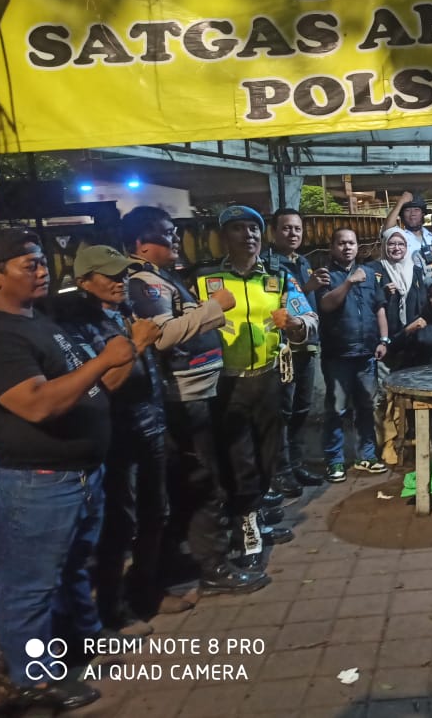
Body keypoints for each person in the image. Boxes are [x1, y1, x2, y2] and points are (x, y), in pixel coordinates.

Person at [0, 228, 134, 712]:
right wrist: (104, 361)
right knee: (29, 587)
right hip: (38, 482)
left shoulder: (37, 319)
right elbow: (35, 404)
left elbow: (81, 387)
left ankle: (84, 640)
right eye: (28, 264)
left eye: (41, 260)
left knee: (72, 568)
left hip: (80, 474)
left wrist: (118, 360)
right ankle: (33, 677)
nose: (42, 269)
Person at [122, 206, 270, 598]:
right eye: (166, 233)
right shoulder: (144, 282)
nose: (176, 238)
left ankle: (196, 557)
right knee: (203, 482)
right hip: (182, 398)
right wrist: (213, 307)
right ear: (141, 243)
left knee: (201, 478)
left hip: (199, 393)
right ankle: (213, 566)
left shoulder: (163, 277)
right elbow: (161, 336)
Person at [196, 205, 316, 570]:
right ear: (223, 237)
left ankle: (257, 512)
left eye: (253, 228)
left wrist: (296, 324)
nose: (247, 235)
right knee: (239, 459)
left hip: (269, 379)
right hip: (225, 383)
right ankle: (246, 525)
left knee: (268, 456)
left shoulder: (278, 276)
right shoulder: (206, 280)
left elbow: (308, 316)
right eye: (238, 228)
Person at [54, 246, 165, 637]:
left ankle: (145, 595)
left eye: (123, 274)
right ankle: (112, 610)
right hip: (116, 438)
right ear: (84, 282)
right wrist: (138, 343)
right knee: (119, 526)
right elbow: (100, 387)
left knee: (156, 513)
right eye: (110, 275)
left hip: (151, 426)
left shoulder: (126, 311)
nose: (120, 282)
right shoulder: (77, 326)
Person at [316, 228, 391, 483]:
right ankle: (334, 460)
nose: (347, 247)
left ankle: (366, 456)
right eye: (341, 243)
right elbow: (325, 304)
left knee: (366, 407)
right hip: (338, 353)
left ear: (358, 247)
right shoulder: (325, 275)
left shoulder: (369, 273)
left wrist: (383, 339)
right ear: (332, 247)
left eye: (351, 243)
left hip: (366, 353)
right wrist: (348, 282)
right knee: (337, 409)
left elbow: (379, 307)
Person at [263, 208, 327, 495]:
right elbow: (274, 303)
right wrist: (309, 286)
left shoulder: (302, 261)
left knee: (302, 407)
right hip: (284, 348)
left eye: (297, 229)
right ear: (273, 232)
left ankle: (297, 464)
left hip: (306, 345)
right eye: (286, 228)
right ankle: (281, 471)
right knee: (283, 411)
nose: (293, 234)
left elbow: (307, 305)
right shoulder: (268, 265)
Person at [368, 226, 425, 465]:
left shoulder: (416, 271)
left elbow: (422, 303)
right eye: (391, 243)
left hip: (410, 343)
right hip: (385, 342)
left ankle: (405, 442)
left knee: (405, 395)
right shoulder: (375, 270)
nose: (396, 248)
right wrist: (382, 291)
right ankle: (386, 443)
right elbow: (368, 300)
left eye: (401, 244)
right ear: (384, 246)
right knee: (383, 395)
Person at [384, 191, 432, 263]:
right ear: (402, 216)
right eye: (407, 210)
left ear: (423, 214)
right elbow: (388, 228)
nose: (412, 213)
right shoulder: (399, 236)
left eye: (416, 210)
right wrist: (400, 202)